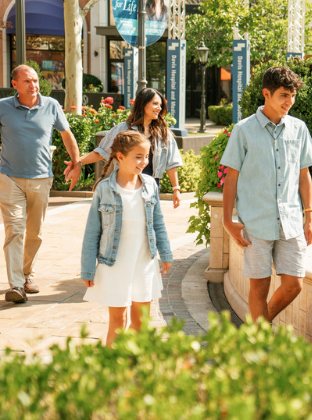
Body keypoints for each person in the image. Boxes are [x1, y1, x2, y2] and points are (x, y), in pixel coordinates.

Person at [221, 66, 312, 323]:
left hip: (291, 221)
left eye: (293, 95)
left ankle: (257, 327)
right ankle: (261, 344)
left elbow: (303, 175)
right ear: (266, 93)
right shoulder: (244, 130)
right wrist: (227, 221)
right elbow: (231, 179)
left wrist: (309, 216)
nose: (290, 101)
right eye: (284, 95)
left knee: (294, 284)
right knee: (259, 288)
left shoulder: (299, 129)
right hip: (256, 222)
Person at [81, 131, 172, 346]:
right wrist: (87, 267)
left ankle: (130, 362)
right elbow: (92, 231)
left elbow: (158, 222)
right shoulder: (104, 189)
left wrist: (165, 252)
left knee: (141, 321)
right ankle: (113, 370)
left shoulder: (150, 185)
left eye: (147, 156)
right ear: (120, 157)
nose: (144, 162)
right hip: (115, 263)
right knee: (118, 321)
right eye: (138, 156)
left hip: (144, 262)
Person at [0, 65, 81, 303]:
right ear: (14, 84)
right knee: (14, 230)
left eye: (35, 81)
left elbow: (67, 135)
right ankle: (15, 285)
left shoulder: (51, 106)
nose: (33, 86)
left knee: (34, 233)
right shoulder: (3, 107)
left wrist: (76, 164)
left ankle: (27, 274)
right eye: (27, 81)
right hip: (9, 177)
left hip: (41, 177)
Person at [65, 88, 183, 207]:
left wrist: (176, 189)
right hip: (124, 188)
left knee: (147, 224)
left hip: (150, 191)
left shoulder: (163, 134)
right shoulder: (123, 129)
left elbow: (171, 163)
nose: (159, 108)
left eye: (160, 105)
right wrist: (77, 162)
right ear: (143, 104)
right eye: (155, 103)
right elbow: (101, 152)